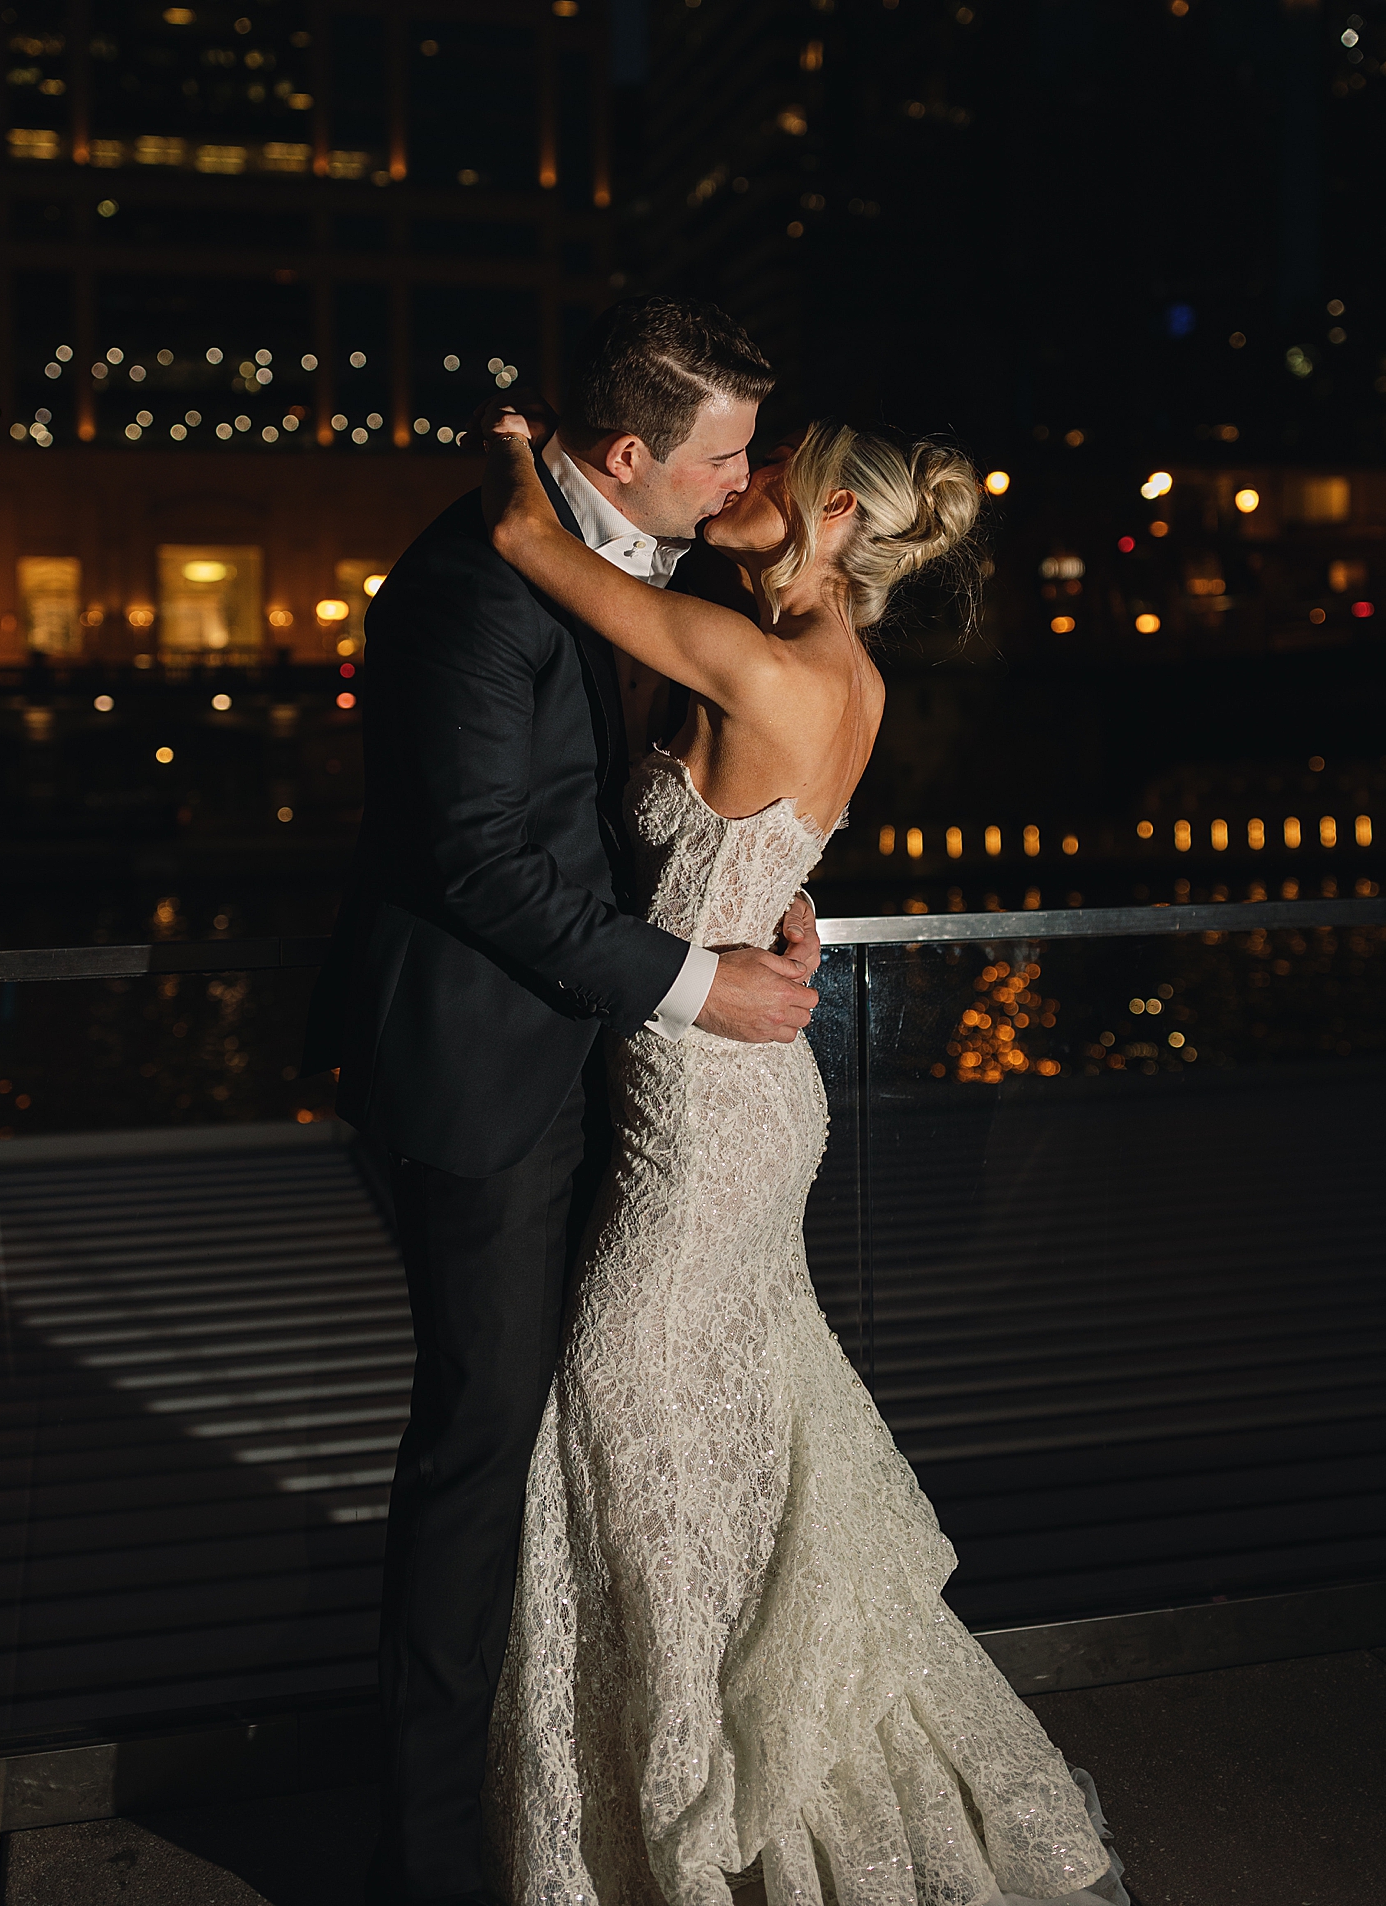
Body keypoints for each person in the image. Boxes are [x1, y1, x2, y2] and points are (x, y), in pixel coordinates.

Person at [478, 409, 1133, 1906]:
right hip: (737, 1099)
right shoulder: (848, 673)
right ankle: (693, 1795)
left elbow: (528, 538)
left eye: (774, 471)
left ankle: (697, 1821)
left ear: (831, 515)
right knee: (705, 1455)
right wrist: (764, 910)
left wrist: (521, 440)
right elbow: (762, 847)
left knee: (624, 1424)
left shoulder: (763, 659)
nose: (744, 481)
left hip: (712, 1127)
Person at [303, 296, 824, 1906]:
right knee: (480, 1449)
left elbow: (625, 811)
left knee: (558, 1437)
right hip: (476, 1078)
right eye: (726, 450)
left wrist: (750, 895)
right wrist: (696, 979)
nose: (746, 479)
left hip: (592, 1066)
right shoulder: (473, 586)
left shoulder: (608, 564)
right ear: (629, 454)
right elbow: (476, 858)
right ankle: (432, 1862)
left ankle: (570, 1790)